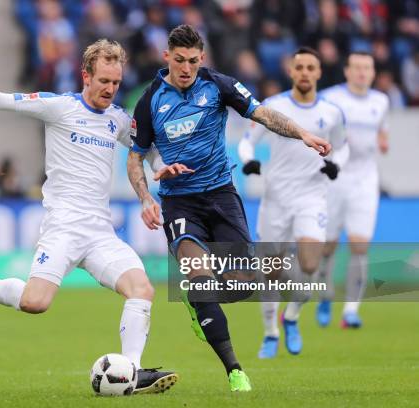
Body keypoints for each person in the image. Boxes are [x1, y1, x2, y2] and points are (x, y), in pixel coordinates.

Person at [0, 39, 187, 394]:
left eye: (116, 83)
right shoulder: (59, 107)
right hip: (63, 230)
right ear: (85, 75)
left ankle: (131, 370)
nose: (110, 89)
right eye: (103, 81)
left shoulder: (117, 120)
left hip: (101, 233)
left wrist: (162, 168)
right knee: (35, 303)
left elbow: (145, 153)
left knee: (142, 289)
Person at [127, 25, 331, 392]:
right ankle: (235, 370)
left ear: (201, 59)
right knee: (201, 279)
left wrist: (303, 134)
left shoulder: (218, 85)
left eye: (192, 61)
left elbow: (262, 114)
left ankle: (198, 299)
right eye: (178, 61)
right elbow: (135, 158)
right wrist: (146, 195)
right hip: (180, 203)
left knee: (241, 285)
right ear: (166, 58)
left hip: (222, 197)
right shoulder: (150, 100)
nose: (186, 68)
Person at [238, 47, 349, 358]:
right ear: (291, 71)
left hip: (312, 196)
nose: (304, 72)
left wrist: (336, 164)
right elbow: (247, 141)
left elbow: (342, 148)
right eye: (298, 66)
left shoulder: (331, 112)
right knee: (270, 271)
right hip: (275, 197)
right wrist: (249, 161)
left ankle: (291, 318)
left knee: (311, 263)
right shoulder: (273, 107)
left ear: (318, 72)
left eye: (309, 67)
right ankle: (271, 333)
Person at [316, 52, 389, 329]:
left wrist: (383, 141)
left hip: (365, 180)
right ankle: (325, 295)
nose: (362, 73)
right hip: (335, 179)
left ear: (372, 73)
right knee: (328, 246)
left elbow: (383, 131)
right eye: (356, 67)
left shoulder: (381, 101)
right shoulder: (331, 98)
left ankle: (350, 311)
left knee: (360, 245)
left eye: (367, 68)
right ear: (347, 71)